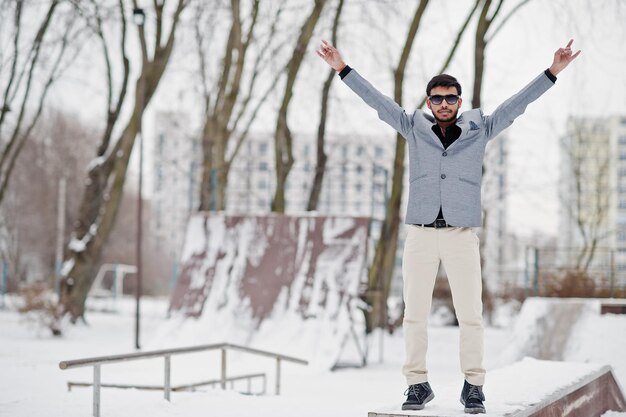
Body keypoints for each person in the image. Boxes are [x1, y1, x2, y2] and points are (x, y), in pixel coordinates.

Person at [317, 39, 580, 414]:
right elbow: (376, 101)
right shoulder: (412, 127)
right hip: (421, 235)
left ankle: (473, 386)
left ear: (460, 101)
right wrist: (342, 68)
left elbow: (517, 105)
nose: (444, 103)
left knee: (470, 314)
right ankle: (417, 384)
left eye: (450, 98)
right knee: (414, 314)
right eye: (437, 98)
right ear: (428, 103)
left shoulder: (481, 129)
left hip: (461, 236)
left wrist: (552, 72)